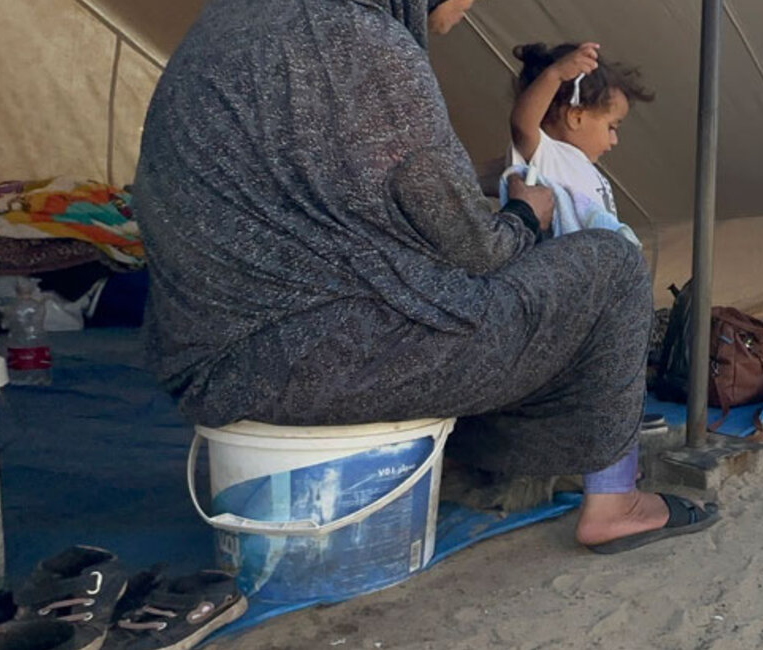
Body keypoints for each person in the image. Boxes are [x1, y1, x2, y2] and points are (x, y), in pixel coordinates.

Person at [134, 0, 716, 555]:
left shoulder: (228, 23)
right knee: (610, 264)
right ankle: (613, 503)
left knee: (452, 287)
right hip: (309, 359)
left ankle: (491, 459)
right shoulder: (368, 41)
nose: (469, 10)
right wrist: (521, 217)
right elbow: (476, 249)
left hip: (207, 366)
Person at [509, 42, 653, 244]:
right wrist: (556, 75)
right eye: (611, 127)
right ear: (576, 116)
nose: (614, 141)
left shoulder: (582, 165)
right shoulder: (547, 153)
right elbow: (522, 124)